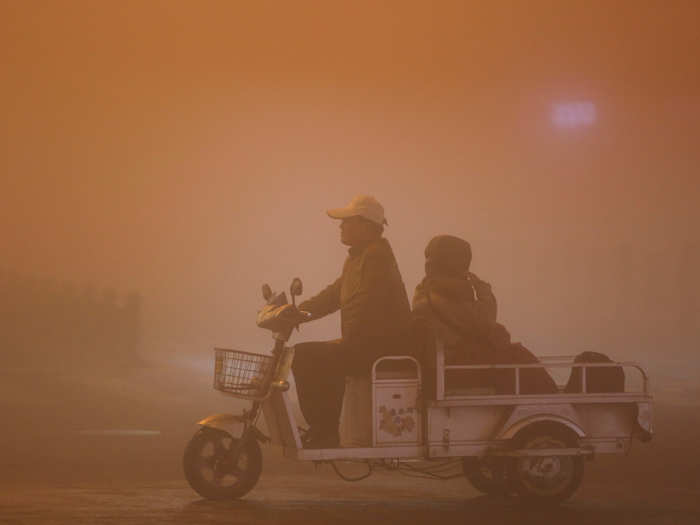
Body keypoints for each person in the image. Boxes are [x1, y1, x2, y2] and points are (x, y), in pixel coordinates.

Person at [292, 195, 413, 448]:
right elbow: (334, 295)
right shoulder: (358, 258)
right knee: (310, 355)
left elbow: (364, 304)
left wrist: (343, 342)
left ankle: (324, 432)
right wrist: (296, 312)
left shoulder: (376, 257)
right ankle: (323, 430)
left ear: (366, 225)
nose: (341, 226)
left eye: (347, 221)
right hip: (367, 343)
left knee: (306, 356)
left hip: (382, 347)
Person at [412, 235, 557, 396]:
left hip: (449, 365)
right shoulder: (443, 293)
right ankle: (554, 402)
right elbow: (483, 322)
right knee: (517, 356)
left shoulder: (427, 290)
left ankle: (546, 401)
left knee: (511, 356)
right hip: (454, 368)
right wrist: (484, 291)